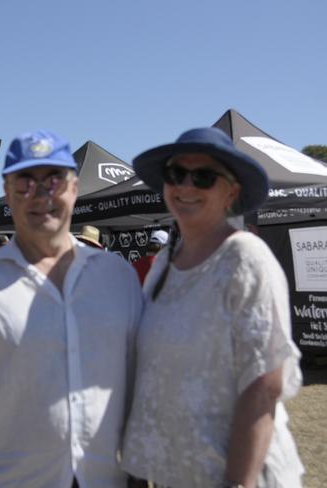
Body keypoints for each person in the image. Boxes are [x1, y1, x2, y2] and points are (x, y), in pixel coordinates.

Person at [0, 130, 143, 488]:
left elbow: (140, 386)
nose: (40, 194)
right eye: (25, 182)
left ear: (74, 189)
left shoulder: (118, 278)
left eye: (54, 180)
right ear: (8, 193)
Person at [121, 127, 304, 487]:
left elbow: (265, 384)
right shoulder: (163, 265)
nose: (186, 186)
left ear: (231, 192)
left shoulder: (245, 258)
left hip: (237, 475)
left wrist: (239, 483)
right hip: (178, 473)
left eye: (203, 177)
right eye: (176, 174)